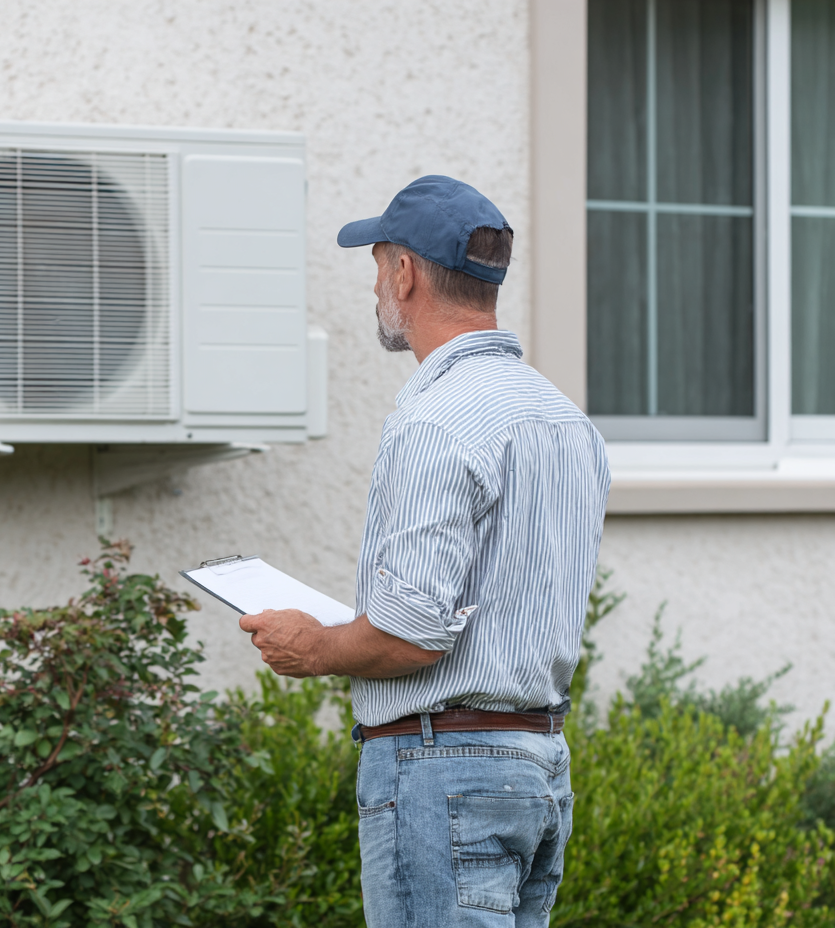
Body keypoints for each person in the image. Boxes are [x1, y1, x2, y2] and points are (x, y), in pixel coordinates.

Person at [238, 175, 610, 927]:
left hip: (441, 772)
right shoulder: (569, 423)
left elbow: (412, 633)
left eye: (378, 265)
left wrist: (312, 646)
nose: (376, 285)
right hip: (538, 768)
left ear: (404, 273)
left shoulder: (435, 421)